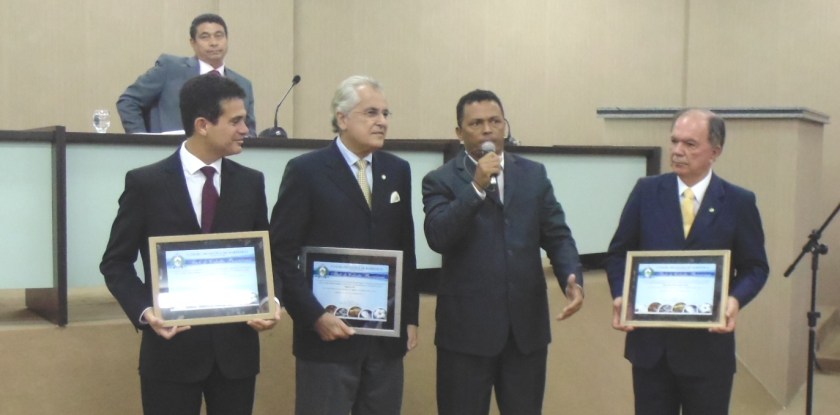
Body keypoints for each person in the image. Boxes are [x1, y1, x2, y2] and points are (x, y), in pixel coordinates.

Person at [101, 74, 279, 415]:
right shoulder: (146, 183)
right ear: (202, 124)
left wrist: (271, 299)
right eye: (236, 121)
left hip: (236, 355)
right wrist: (146, 312)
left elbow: (267, 257)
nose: (246, 129)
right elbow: (115, 263)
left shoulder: (250, 183)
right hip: (170, 354)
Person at [422, 89, 584, 415]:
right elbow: (438, 236)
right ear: (459, 132)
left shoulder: (533, 175)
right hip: (466, 337)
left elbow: (557, 234)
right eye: (477, 123)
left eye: (495, 121)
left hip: (525, 333)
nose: (487, 130)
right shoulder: (440, 180)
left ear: (505, 126)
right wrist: (476, 187)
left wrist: (572, 276)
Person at [269, 75, 418, 415]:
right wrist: (313, 316)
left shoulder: (397, 170)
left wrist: (409, 315)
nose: (382, 121)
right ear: (342, 118)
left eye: (385, 113)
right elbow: (280, 253)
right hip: (326, 340)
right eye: (371, 113)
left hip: (385, 339)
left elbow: (404, 245)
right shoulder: (306, 170)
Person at [605, 109, 769, 415]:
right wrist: (621, 294)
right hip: (651, 351)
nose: (678, 151)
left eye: (690, 144)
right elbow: (618, 253)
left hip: (708, 352)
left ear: (715, 152)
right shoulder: (646, 192)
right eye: (674, 141)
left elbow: (755, 267)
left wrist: (734, 300)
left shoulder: (738, 202)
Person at [116, 13, 256, 136]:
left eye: (219, 36)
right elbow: (128, 102)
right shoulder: (170, 69)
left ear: (227, 39)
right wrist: (142, 141)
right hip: (170, 153)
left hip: (223, 160)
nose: (213, 43)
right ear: (193, 43)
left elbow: (248, 131)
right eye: (205, 37)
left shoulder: (242, 84)